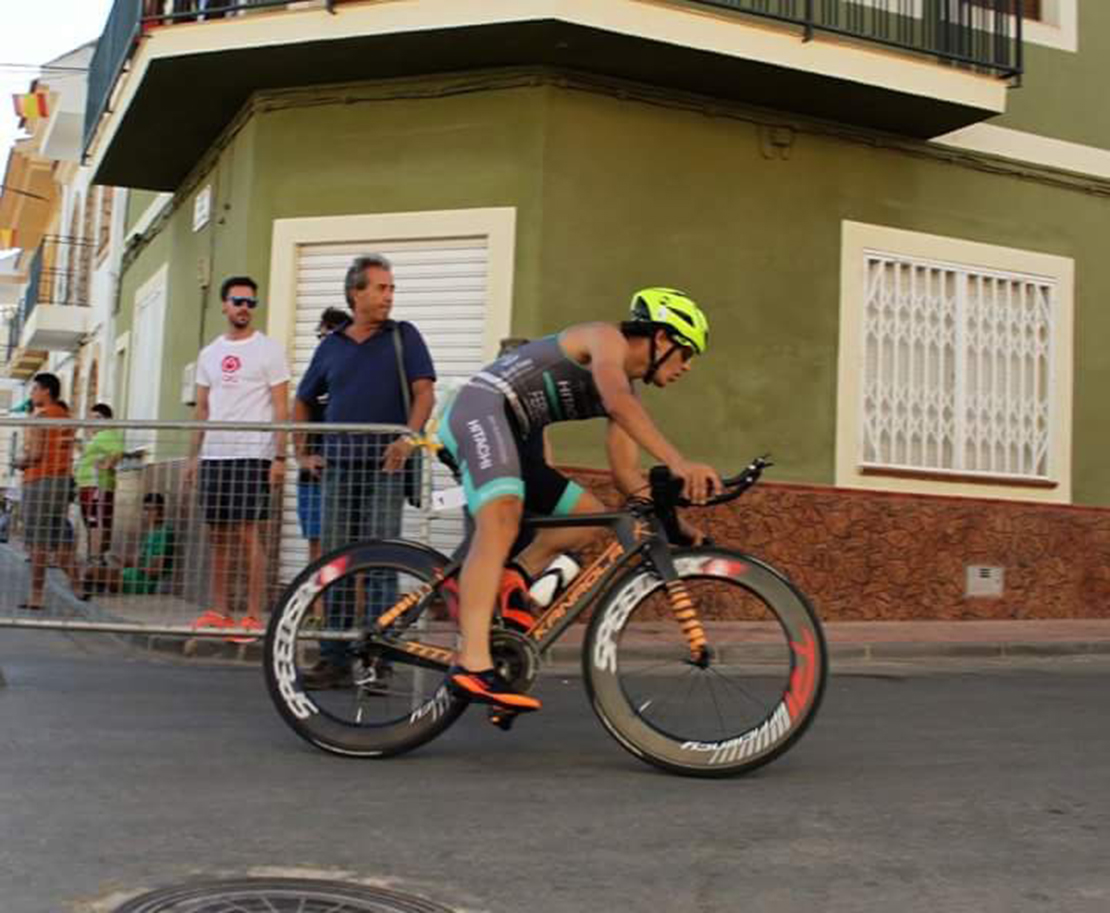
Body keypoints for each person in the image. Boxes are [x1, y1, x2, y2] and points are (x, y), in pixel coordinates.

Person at [439, 288, 719, 712]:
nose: (688, 365)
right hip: (481, 408)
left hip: (516, 432)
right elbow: (617, 401)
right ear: (662, 339)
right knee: (502, 518)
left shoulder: (629, 395)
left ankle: (513, 581)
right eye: (687, 351)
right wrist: (678, 461)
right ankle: (472, 665)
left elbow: (627, 478)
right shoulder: (606, 339)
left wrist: (673, 522)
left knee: (593, 517)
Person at [294, 253, 436, 689]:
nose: (389, 296)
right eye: (381, 288)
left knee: (379, 563)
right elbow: (302, 400)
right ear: (356, 293)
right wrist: (302, 453)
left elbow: (425, 394)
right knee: (338, 563)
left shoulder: (404, 336)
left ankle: (378, 658)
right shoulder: (331, 345)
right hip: (338, 469)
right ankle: (335, 659)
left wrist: (407, 439)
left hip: (384, 470)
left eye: (392, 288)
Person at [183, 275, 291, 637]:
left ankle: (253, 615)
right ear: (224, 304)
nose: (244, 308)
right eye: (238, 301)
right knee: (219, 535)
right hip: (215, 455)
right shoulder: (209, 353)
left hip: (252, 455)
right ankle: (219, 610)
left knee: (248, 533)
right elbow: (201, 408)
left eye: (250, 302)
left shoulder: (269, 350)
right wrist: (192, 457)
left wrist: (279, 458)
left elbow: (280, 406)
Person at [14, 373, 80, 609]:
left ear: (46, 391)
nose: (31, 395)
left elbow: (36, 455)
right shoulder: (65, 417)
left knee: (38, 543)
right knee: (60, 539)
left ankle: (36, 596)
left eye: (34, 390)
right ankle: (77, 584)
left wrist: (19, 462)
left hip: (39, 481)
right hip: (61, 482)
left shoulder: (41, 417)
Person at [297, 307, 348, 565]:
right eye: (321, 336)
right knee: (316, 546)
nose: (325, 342)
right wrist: (301, 456)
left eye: (332, 335)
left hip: (348, 474)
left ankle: (353, 606)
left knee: (351, 548)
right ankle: (318, 605)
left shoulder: (354, 375)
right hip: (314, 476)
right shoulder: (315, 373)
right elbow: (299, 408)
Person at [81, 493, 175, 596]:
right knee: (100, 563)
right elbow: (139, 559)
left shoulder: (164, 533)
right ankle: (102, 590)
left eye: (153, 509)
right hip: (129, 574)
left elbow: (154, 570)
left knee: (91, 571)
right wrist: (121, 559)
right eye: (146, 509)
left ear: (161, 511)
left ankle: (101, 591)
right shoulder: (152, 532)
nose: (148, 513)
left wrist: (131, 562)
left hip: (140, 582)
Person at [74, 403, 125, 562]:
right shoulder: (97, 437)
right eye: (91, 418)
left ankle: (97, 559)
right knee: (92, 523)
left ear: (107, 420)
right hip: (87, 486)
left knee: (97, 523)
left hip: (97, 486)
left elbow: (118, 451)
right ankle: (94, 557)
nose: (93, 422)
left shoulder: (108, 434)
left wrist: (107, 464)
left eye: (97, 418)